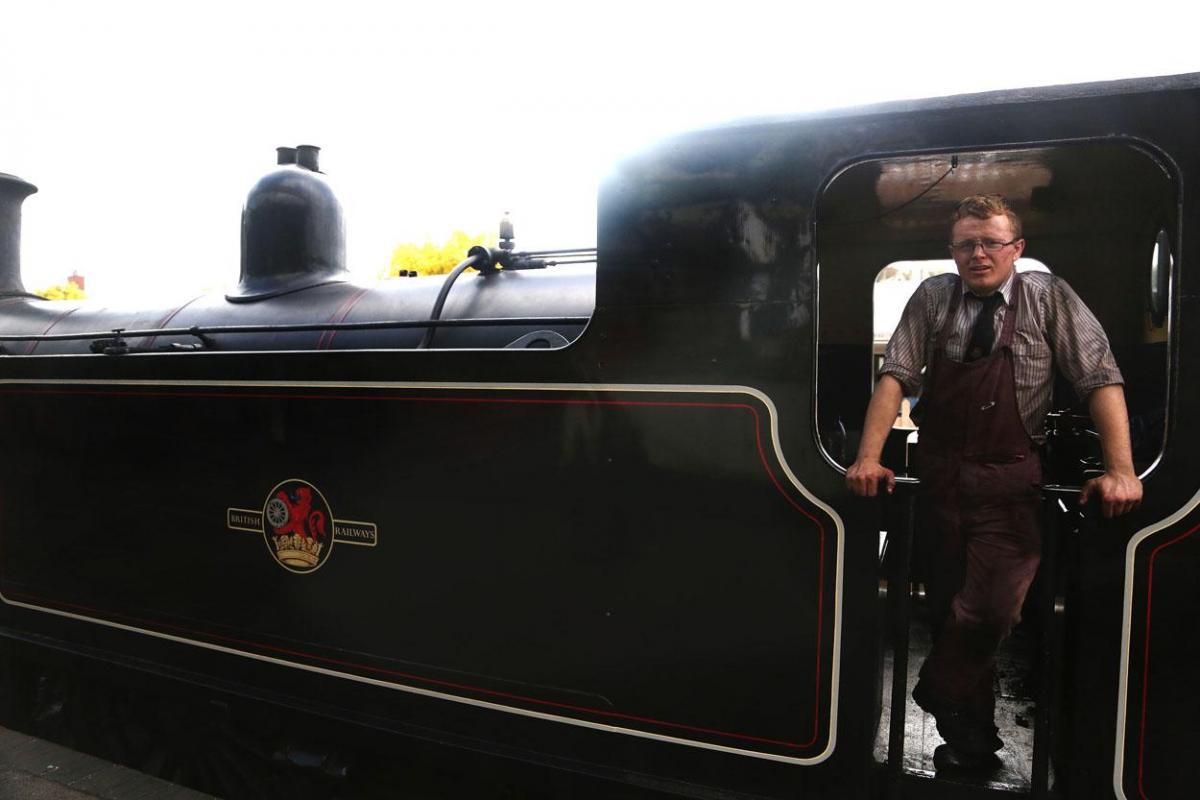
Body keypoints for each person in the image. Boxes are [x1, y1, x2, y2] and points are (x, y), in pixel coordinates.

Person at [846, 194, 1143, 770]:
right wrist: (868, 458)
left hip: (1010, 485)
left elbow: (1101, 378)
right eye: (966, 244)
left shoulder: (1048, 297)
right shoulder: (933, 297)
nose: (979, 254)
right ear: (952, 251)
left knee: (987, 614)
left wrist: (1121, 471)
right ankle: (971, 745)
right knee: (945, 613)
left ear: (1017, 249)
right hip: (938, 483)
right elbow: (895, 378)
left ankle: (936, 691)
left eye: (991, 243)